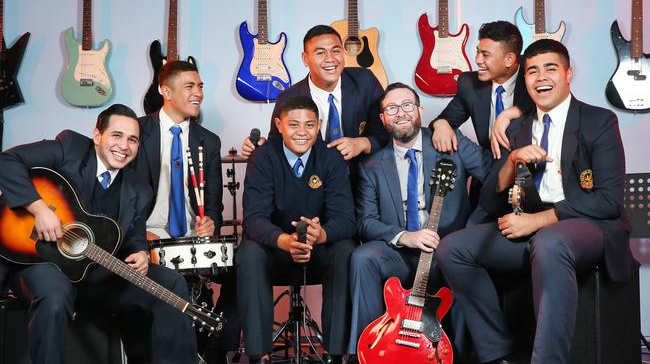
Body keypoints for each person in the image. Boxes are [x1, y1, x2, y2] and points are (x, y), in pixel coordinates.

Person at [436, 39, 636, 364]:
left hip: (588, 228)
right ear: (524, 79)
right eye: (532, 71)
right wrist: (512, 160)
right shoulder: (517, 129)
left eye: (550, 68)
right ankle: (499, 354)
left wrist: (539, 221)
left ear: (569, 74)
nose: (541, 77)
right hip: (533, 231)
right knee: (452, 249)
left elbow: (608, 202)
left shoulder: (599, 121)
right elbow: (489, 197)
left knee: (550, 241)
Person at [0, 104, 198, 364]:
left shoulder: (140, 189)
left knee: (171, 283)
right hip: (42, 261)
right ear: (97, 136)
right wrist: (38, 208)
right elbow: (7, 160)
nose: (124, 146)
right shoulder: (69, 147)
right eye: (116, 135)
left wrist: (139, 251)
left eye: (132, 140)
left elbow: (135, 234)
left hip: (95, 273)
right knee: (55, 297)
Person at [349, 82, 492, 362]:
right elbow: (365, 222)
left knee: (464, 265)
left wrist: (473, 227)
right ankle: (367, 352)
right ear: (382, 118)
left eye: (407, 106)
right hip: (399, 254)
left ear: (419, 110)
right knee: (362, 257)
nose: (400, 113)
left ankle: (461, 357)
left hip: (447, 250)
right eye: (391, 108)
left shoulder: (450, 141)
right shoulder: (371, 168)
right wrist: (405, 236)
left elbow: (495, 178)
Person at [237, 95, 357, 364]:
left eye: (309, 125)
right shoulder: (262, 157)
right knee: (249, 252)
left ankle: (335, 354)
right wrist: (285, 242)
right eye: (293, 125)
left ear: (319, 125)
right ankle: (259, 355)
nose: (302, 133)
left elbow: (346, 219)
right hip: (276, 251)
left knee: (346, 250)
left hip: (318, 252)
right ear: (279, 125)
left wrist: (321, 234)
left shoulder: (332, 159)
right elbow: (254, 220)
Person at [135, 60, 238, 363]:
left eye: (201, 86)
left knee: (247, 266)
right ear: (165, 90)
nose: (198, 94)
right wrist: (139, 233)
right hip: (149, 235)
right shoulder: (138, 133)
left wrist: (212, 223)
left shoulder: (209, 140)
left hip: (194, 237)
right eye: (190, 87)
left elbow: (215, 202)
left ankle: (216, 349)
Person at [241, 25, 389, 167]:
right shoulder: (288, 98)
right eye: (320, 53)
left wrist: (363, 143)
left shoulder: (365, 81)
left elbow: (386, 130)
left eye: (336, 51)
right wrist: (260, 146)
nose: (330, 59)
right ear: (305, 59)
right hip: (312, 183)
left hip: (362, 178)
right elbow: (279, 143)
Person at [430, 20, 534, 159]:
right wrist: (441, 124)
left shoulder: (533, 73)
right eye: (478, 52)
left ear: (509, 59)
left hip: (532, 168)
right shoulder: (470, 84)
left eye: (485, 54)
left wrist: (509, 113)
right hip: (490, 168)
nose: (477, 60)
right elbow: (447, 119)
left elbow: (552, 101)